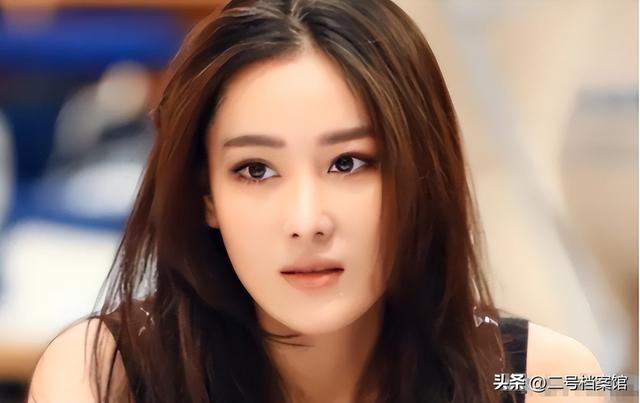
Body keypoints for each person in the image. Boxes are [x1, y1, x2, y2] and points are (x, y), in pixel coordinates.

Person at [27, 1, 604, 402]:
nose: (307, 221)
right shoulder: (100, 377)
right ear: (206, 195)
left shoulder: (551, 379)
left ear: (418, 173)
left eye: (348, 163)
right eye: (255, 170)